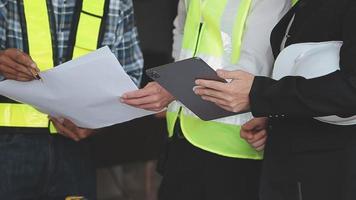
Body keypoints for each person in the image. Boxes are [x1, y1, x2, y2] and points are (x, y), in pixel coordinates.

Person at [121, 0, 291, 199]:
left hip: (232, 144)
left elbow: (253, 67)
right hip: (180, 132)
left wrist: (175, 88)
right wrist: (172, 83)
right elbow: (182, 30)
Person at [194, 0, 356, 199]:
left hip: (333, 171)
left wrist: (260, 94)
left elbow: (350, 89)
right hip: (291, 164)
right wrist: (274, 114)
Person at [0, 0, 143, 199]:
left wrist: (96, 122)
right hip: (7, 146)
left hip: (76, 150)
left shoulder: (116, 3)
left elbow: (129, 78)